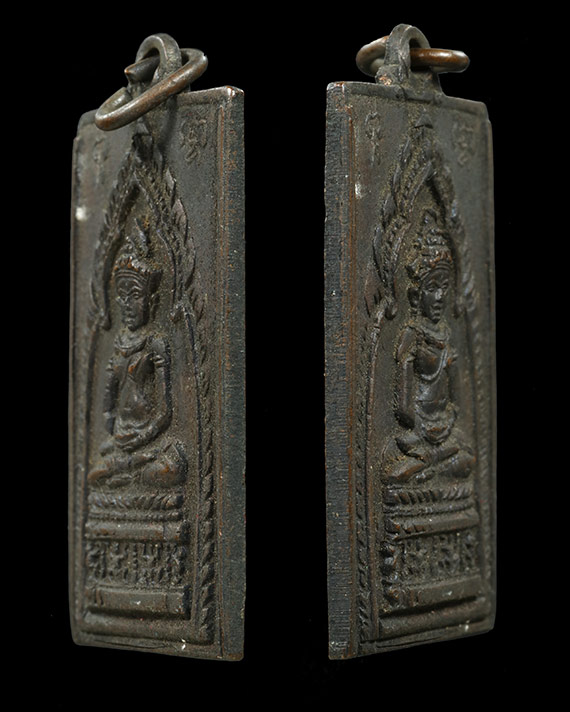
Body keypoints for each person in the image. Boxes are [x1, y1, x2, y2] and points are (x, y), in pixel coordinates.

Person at [87, 225, 186, 489]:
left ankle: (131, 476)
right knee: (93, 475)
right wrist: (112, 427)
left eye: (135, 296)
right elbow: (109, 395)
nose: (128, 305)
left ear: (152, 300)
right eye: (122, 297)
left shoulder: (155, 344)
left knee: (171, 469)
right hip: (122, 438)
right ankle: (130, 474)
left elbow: (165, 412)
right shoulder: (119, 345)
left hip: (149, 438)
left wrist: (143, 437)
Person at [382, 209, 475, 485]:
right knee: (394, 467)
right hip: (418, 431)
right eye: (432, 287)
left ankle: (429, 470)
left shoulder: (445, 335)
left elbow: (457, 395)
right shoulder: (412, 335)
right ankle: (429, 466)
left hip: (444, 429)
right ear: (415, 294)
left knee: (468, 459)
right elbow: (403, 407)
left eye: (444, 287)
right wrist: (422, 426)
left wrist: (447, 421)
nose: (439, 296)